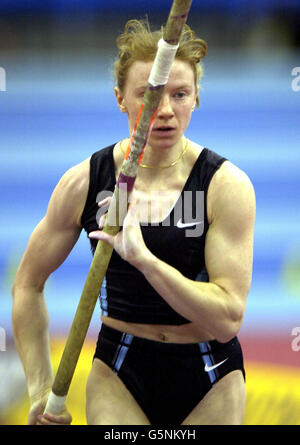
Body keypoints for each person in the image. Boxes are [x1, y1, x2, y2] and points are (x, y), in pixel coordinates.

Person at [12, 19, 255, 425]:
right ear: (120, 98)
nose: (164, 112)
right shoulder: (87, 181)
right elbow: (27, 284)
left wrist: (144, 260)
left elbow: (227, 319)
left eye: (180, 95)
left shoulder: (224, 186)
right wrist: (40, 387)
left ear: (196, 99)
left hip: (210, 374)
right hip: (119, 371)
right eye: (149, 95)